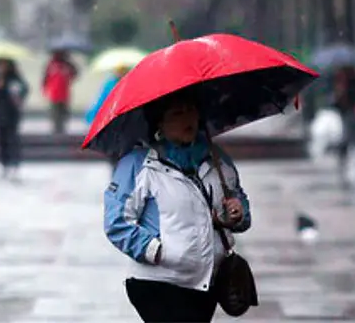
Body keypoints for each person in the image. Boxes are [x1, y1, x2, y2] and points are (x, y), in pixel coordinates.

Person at [103, 88, 252, 322]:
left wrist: (238, 212)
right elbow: (117, 223)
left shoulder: (216, 158)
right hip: (159, 282)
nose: (187, 119)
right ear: (159, 123)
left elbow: (236, 197)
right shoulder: (138, 164)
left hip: (206, 282)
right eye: (177, 113)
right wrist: (159, 252)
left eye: (191, 111)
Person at [0, 58, 29, 180]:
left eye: (4, 64)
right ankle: (4, 164)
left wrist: (17, 93)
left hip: (12, 113)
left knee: (13, 139)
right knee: (2, 139)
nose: (2, 67)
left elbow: (24, 90)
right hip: (0, 112)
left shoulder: (15, 78)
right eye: (0, 64)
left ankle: (15, 163)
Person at [43, 50, 78, 134]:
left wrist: (70, 62)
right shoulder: (51, 65)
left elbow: (75, 73)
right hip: (54, 94)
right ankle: (56, 128)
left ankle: (61, 128)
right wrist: (44, 89)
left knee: (64, 112)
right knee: (55, 112)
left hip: (64, 93)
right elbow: (45, 78)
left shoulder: (67, 65)